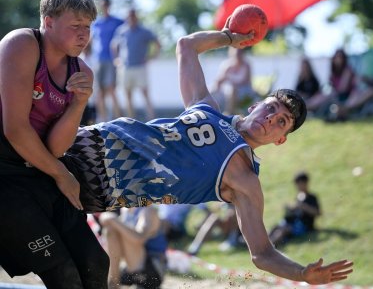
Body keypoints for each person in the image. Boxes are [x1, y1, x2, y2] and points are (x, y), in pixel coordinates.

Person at [51, 27, 353, 285]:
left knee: (80, 269)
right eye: (271, 108)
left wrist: (302, 274)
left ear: (280, 140)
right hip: (89, 142)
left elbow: (262, 253)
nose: (271, 118)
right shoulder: (206, 106)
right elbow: (186, 46)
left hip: (98, 189)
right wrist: (229, 37)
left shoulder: (245, 179)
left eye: (281, 122)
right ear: (255, 105)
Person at [0, 0, 109, 289]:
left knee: (96, 264)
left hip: (40, 167)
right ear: (48, 22)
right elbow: (15, 130)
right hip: (5, 172)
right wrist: (62, 174)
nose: (84, 35)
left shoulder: (82, 72)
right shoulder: (22, 44)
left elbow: (56, 148)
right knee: (63, 274)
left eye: (88, 27)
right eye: (75, 26)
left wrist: (79, 104)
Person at [99, 207, 168, 289]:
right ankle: (113, 282)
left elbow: (139, 238)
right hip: (129, 269)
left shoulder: (148, 210)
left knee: (124, 231)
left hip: (151, 269)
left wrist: (113, 220)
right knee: (111, 230)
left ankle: (129, 280)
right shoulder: (125, 209)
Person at [112, 8, 161, 120]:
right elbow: (114, 45)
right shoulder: (121, 30)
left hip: (140, 67)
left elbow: (157, 42)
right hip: (125, 67)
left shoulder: (144, 31)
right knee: (127, 95)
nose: (131, 18)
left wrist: (152, 57)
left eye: (133, 16)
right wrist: (117, 59)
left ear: (136, 17)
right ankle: (131, 120)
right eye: (130, 16)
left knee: (145, 94)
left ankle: (152, 119)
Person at [91, 0, 124, 121]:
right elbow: (91, 40)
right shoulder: (96, 23)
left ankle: (119, 119)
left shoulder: (117, 21)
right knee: (99, 92)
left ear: (109, 6)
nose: (104, 7)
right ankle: (103, 120)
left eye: (106, 5)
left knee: (111, 89)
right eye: (102, 5)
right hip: (98, 60)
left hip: (111, 59)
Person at [269, 172, 321, 247]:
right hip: (294, 222)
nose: (298, 187)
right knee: (276, 227)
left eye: (300, 184)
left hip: (304, 226)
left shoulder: (312, 197)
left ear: (306, 183)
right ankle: (263, 244)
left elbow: (318, 213)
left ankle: (269, 246)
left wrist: (304, 207)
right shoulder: (298, 197)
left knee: (284, 229)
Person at [306, 48, 356, 117]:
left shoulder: (347, 71)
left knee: (326, 95)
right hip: (334, 95)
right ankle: (307, 105)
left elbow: (342, 89)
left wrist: (331, 91)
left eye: (340, 57)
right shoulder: (334, 72)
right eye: (336, 57)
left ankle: (307, 107)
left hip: (344, 97)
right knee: (321, 94)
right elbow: (329, 85)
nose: (338, 60)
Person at [213, 47, 258, 114]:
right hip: (227, 90)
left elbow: (247, 81)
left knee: (233, 90)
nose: (238, 55)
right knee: (212, 91)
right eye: (236, 53)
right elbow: (219, 80)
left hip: (244, 89)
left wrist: (233, 83)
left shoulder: (246, 65)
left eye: (240, 53)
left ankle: (229, 112)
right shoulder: (226, 65)